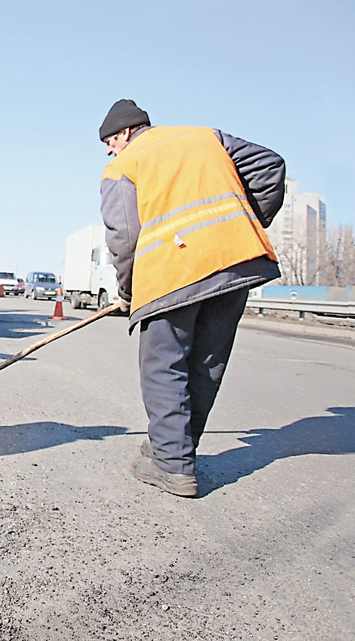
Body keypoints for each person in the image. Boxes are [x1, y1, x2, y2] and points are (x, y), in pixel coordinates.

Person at [98, 99, 285, 497]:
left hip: (172, 274)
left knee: (163, 366)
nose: (110, 151)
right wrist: (238, 223)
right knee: (206, 363)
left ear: (125, 133)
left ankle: (173, 467)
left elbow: (125, 238)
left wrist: (130, 292)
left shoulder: (123, 166)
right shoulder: (206, 137)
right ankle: (174, 449)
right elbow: (270, 166)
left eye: (110, 143)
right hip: (236, 263)